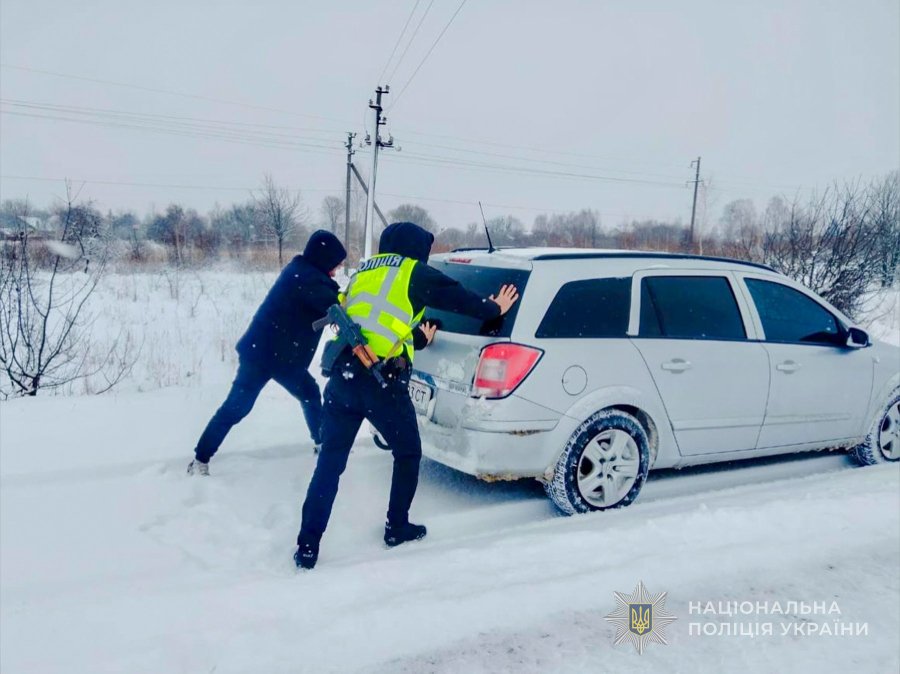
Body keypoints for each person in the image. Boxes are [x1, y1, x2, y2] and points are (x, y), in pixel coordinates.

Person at [294, 221, 519, 569]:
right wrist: (494, 308)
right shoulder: (413, 272)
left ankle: (307, 546)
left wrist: (418, 339)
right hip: (381, 384)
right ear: (415, 249)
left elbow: (375, 322)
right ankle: (396, 527)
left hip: (343, 377)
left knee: (330, 463)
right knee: (408, 453)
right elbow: (459, 299)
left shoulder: (363, 273)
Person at [187, 230, 347, 476]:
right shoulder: (308, 279)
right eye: (335, 265)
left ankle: (200, 459)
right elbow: (336, 305)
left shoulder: (300, 271)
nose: (336, 271)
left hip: (270, 354)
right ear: (323, 259)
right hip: (272, 357)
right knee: (243, 406)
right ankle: (200, 459)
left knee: (249, 404)